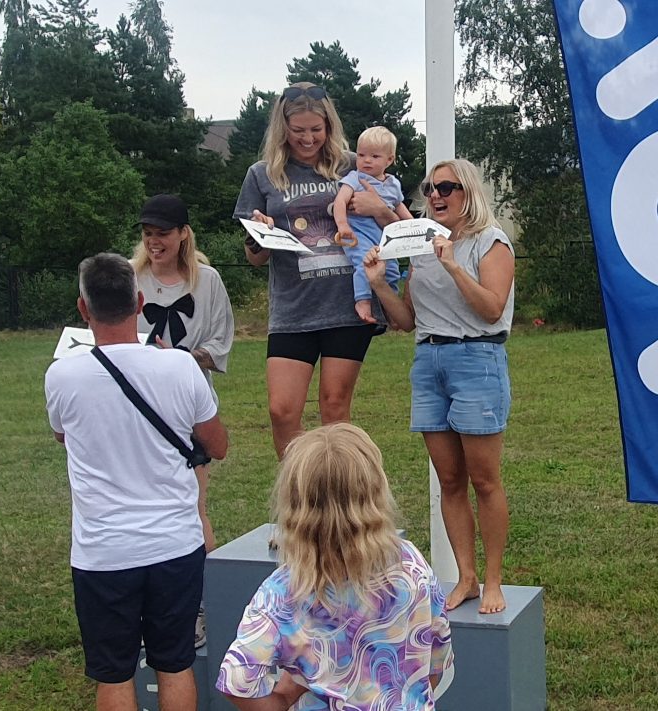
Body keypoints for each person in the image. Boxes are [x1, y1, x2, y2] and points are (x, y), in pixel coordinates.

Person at [45, 253, 229, 711]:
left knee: (114, 673)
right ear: (140, 303)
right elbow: (217, 444)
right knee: (175, 664)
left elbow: (62, 435)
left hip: (103, 551)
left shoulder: (62, 375)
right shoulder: (180, 367)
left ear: (84, 309)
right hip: (174, 544)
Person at [364, 159, 515, 615]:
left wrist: (453, 266)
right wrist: (379, 285)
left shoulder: (491, 242)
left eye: (446, 187)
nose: (434, 195)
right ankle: (466, 577)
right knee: (449, 480)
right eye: (430, 187)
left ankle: (493, 580)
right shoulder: (422, 249)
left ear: (468, 192)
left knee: (484, 480)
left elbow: (492, 308)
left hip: (476, 358)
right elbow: (406, 320)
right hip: (428, 362)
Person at [216, 423, 453, 711]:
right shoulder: (411, 564)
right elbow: (435, 662)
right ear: (376, 492)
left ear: (294, 506)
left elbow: (236, 682)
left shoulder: (282, 594)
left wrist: (283, 699)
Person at [234, 82, 400, 457]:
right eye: (298, 130)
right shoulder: (261, 174)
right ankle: (297, 487)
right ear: (282, 128)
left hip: (348, 304)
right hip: (293, 308)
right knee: (282, 410)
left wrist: (379, 209)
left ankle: (339, 490)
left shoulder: (355, 164)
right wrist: (259, 234)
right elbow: (256, 258)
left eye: (316, 129)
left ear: (329, 126)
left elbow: (398, 228)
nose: (307, 139)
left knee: (335, 409)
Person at [131, 192, 233, 554]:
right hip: (139, 401)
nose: (154, 242)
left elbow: (220, 342)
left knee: (194, 505)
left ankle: (202, 581)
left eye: (162, 234)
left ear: (183, 233)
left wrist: (180, 360)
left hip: (189, 402)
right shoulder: (130, 277)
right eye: (148, 234)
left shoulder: (208, 281)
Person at [332, 126, 415, 325]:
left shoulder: (393, 184)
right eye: (361, 155)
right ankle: (363, 302)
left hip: (383, 240)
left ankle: (390, 310)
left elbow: (400, 208)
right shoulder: (355, 178)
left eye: (374, 156)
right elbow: (340, 201)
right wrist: (343, 225)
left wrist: (415, 227)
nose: (366, 160)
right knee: (364, 264)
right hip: (358, 235)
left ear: (389, 160)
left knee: (392, 270)